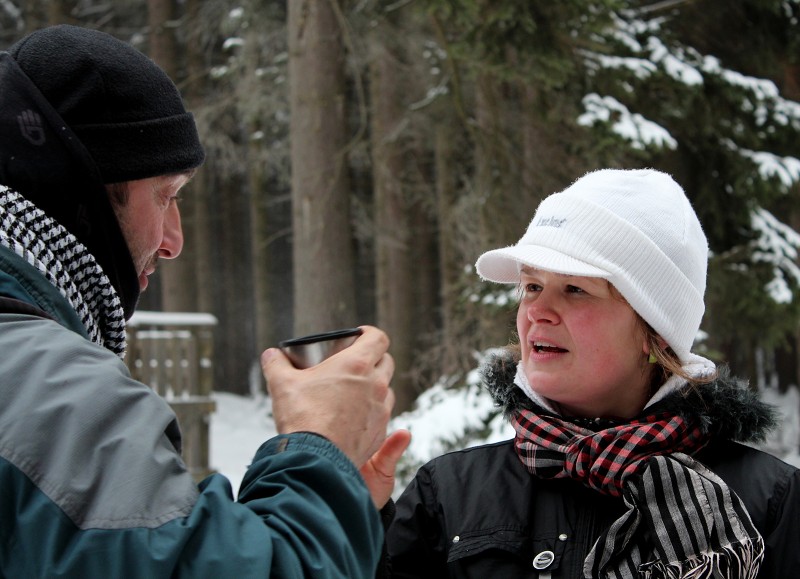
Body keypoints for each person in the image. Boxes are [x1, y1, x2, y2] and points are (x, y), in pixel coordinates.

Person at [0, 24, 409, 578]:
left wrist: (335, 503)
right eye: (165, 196)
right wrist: (320, 452)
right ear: (77, 196)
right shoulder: (51, 392)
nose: (174, 240)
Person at [384, 168, 800, 578]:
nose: (537, 311)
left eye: (575, 289)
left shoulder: (771, 504)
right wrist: (350, 522)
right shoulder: (448, 494)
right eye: (531, 286)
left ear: (653, 331)